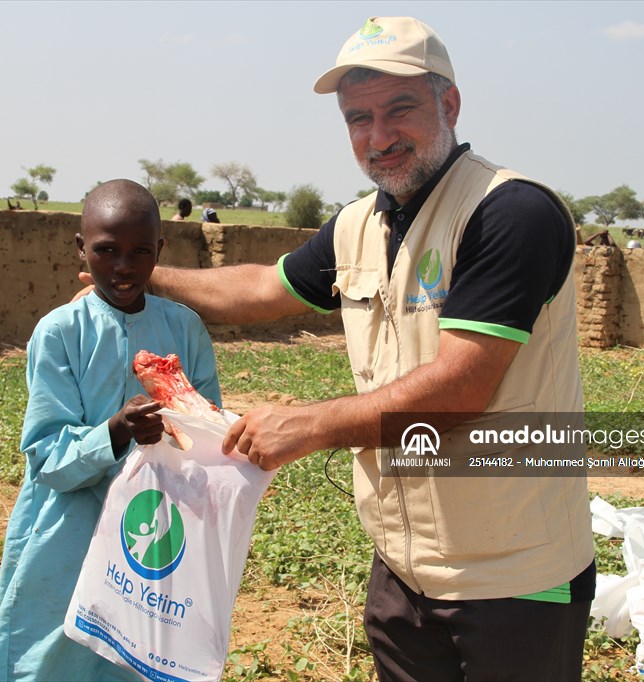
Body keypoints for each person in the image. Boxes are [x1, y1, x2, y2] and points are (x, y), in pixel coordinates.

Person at [78, 16, 594, 681]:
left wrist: (312, 423)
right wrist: (140, 274)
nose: (378, 136)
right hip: (405, 569)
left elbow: (462, 387)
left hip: (517, 576)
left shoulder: (510, 213)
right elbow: (264, 287)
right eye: (358, 118)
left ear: (451, 104)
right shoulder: (362, 223)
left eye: (398, 110)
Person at [0, 179, 221, 682]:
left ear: (160, 251)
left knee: (138, 649)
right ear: (81, 248)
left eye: (140, 252)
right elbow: (46, 456)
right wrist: (116, 430)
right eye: (107, 251)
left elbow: (208, 430)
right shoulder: (61, 332)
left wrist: (187, 428)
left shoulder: (186, 328)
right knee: (51, 650)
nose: (124, 267)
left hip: (152, 527)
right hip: (69, 528)